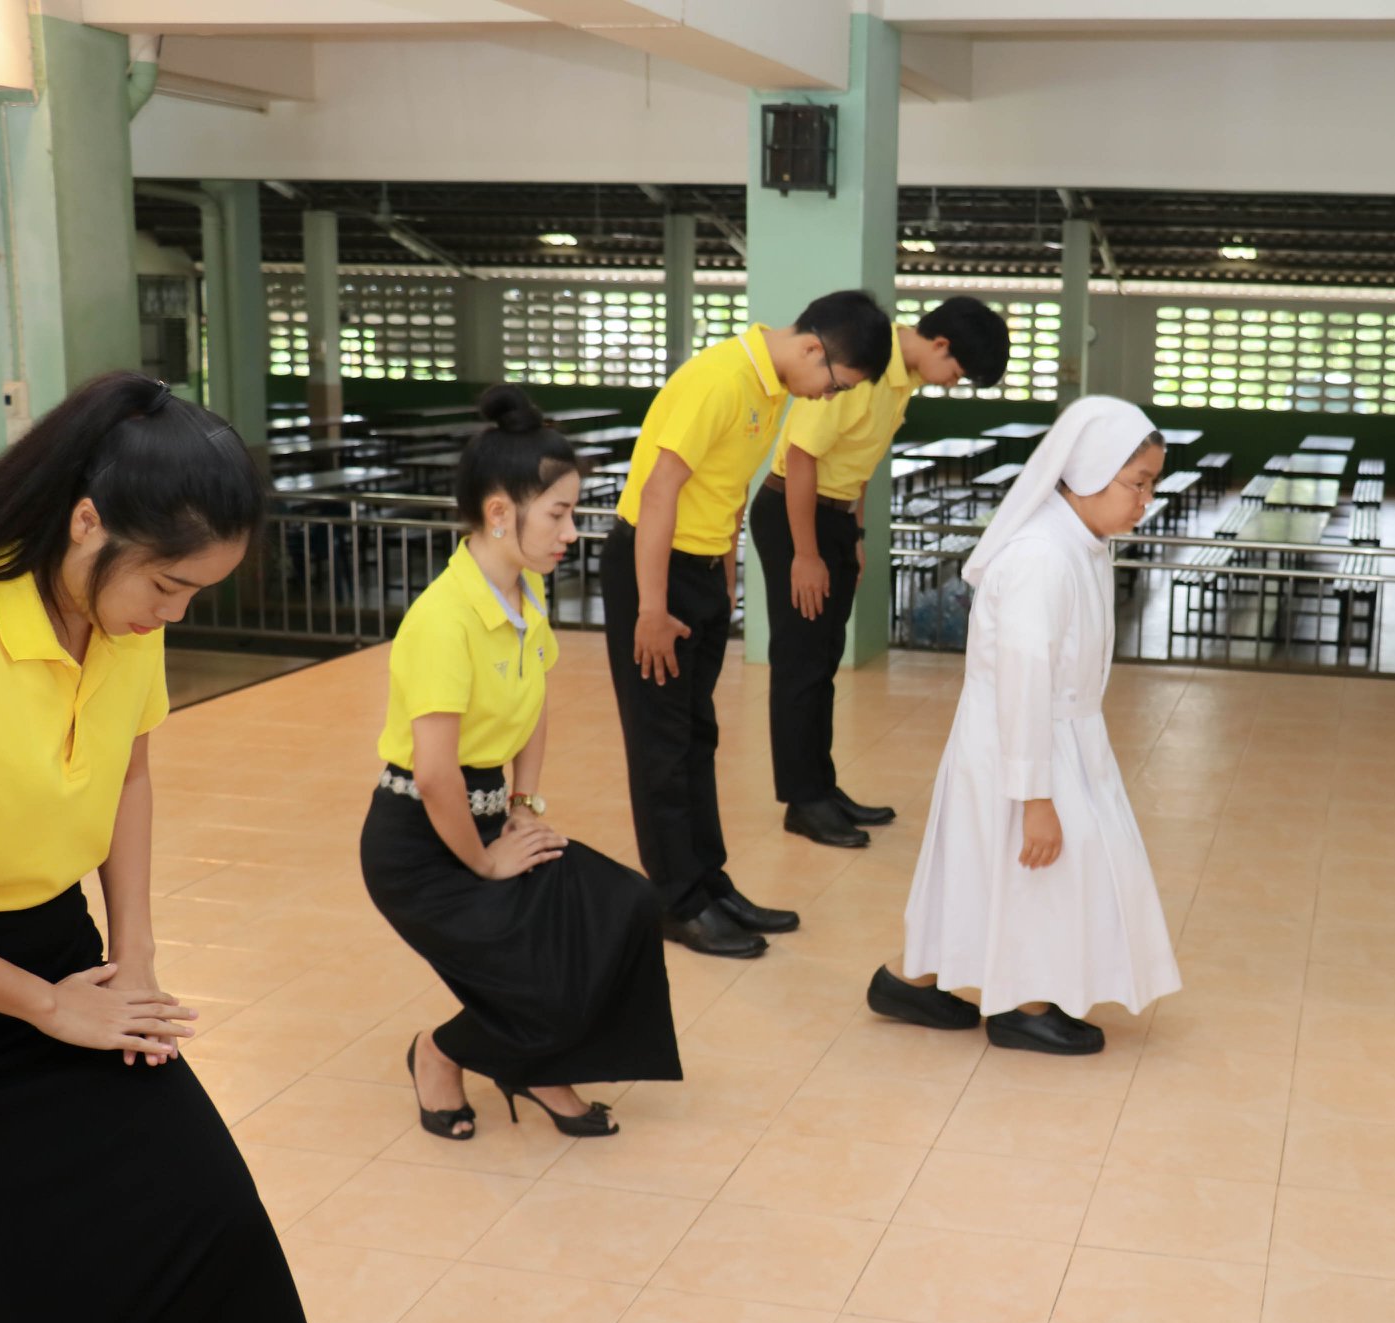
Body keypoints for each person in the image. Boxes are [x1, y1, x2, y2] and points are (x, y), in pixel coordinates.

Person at [0, 373, 307, 1323]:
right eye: (169, 584)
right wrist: (44, 1007)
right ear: (86, 522)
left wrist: (133, 950)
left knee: (207, 1219)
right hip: (29, 989)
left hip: (59, 954)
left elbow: (128, 773)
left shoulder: (121, 621)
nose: (175, 614)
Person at [360, 386, 680, 1140]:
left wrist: (524, 804)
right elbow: (436, 776)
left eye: (574, 511)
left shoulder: (526, 594)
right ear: (501, 513)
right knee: (542, 962)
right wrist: (486, 863)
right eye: (560, 514)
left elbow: (533, 705)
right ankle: (441, 1054)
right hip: (420, 844)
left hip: (486, 817)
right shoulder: (443, 618)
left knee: (622, 907)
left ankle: (536, 1064)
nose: (573, 529)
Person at [865, 396, 1183, 1055]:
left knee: (985, 863)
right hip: (1023, 736)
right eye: (1138, 483)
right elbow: (1024, 680)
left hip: (1051, 731)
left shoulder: (1078, 541)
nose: (1145, 500)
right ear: (1092, 471)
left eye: (1150, 484)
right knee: (1039, 864)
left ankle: (911, 980)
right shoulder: (1042, 555)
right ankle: (1023, 1006)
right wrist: (1036, 797)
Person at [603, 290, 894, 958]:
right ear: (813, 348)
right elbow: (658, 492)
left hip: (699, 566)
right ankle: (678, 902)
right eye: (835, 383)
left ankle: (709, 882)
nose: (827, 397)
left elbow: (728, 488)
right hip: (656, 568)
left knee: (697, 733)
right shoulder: (719, 379)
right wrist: (652, 606)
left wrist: (725, 573)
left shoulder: (771, 388)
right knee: (662, 743)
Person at [754, 297, 1011, 849]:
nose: (950, 383)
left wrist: (857, 533)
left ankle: (822, 786)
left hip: (835, 518)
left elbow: (863, 460)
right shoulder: (864, 361)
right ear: (940, 344)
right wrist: (806, 554)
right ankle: (803, 802)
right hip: (795, 516)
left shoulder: (901, 379)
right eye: (957, 373)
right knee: (801, 662)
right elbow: (801, 456)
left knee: (823, 659)